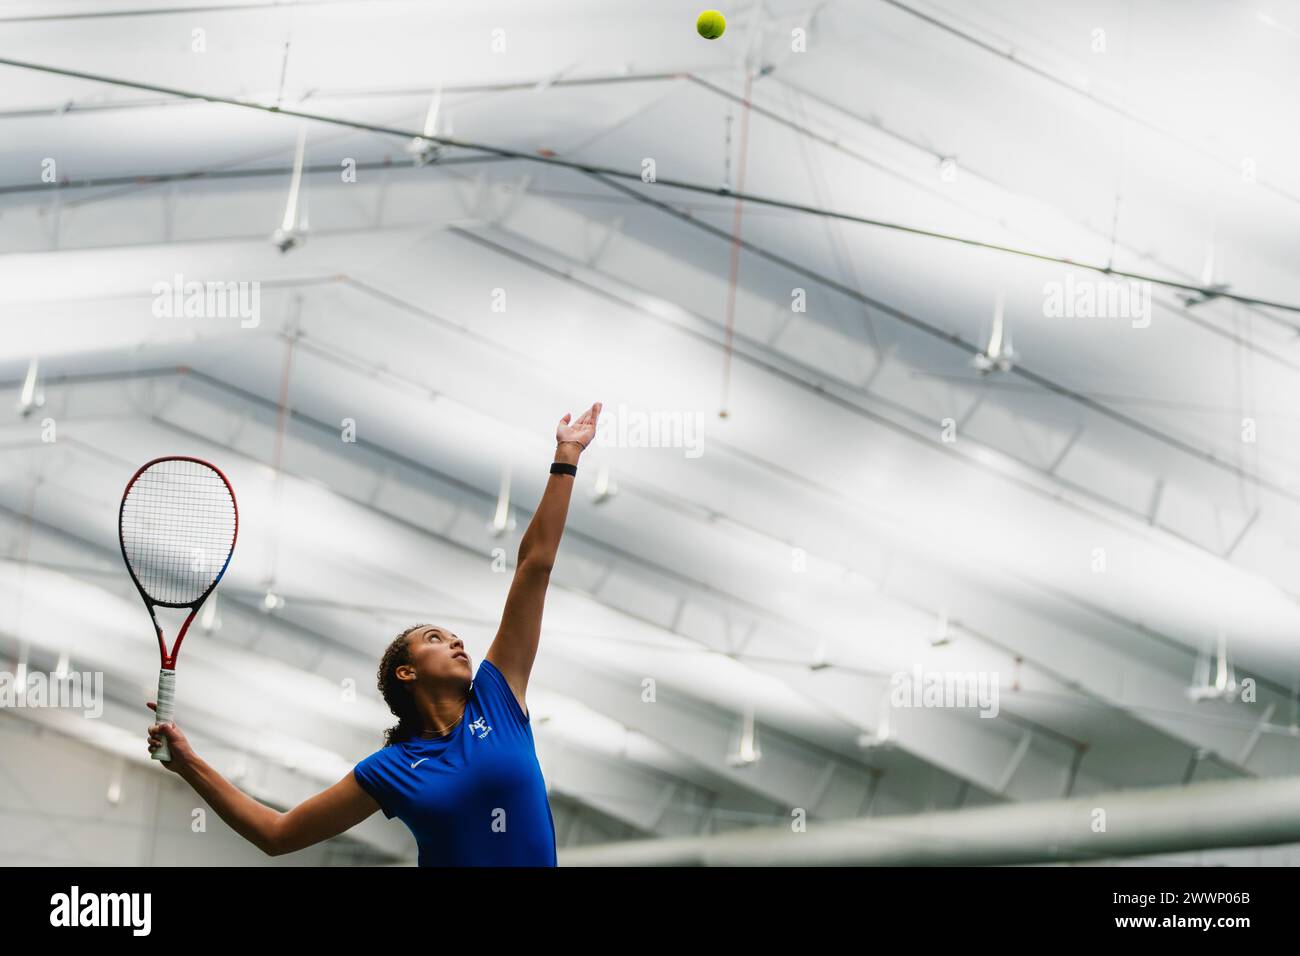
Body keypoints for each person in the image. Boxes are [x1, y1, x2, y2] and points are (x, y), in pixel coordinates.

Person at [147, 402, 603, 866]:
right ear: (406, 672)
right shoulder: (390, 770)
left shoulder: (497, 696)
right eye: (434, 638)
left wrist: (566, 458)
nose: (456, 642)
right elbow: (277, 834)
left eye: (452, 636)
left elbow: (534, 566)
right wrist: (187, 763)